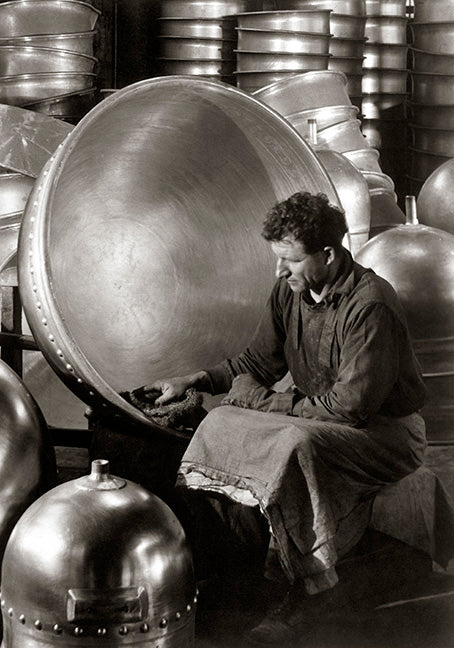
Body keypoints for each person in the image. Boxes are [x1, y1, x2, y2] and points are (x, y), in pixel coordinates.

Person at [144, 191, 427, 643]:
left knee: (293, 445)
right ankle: (236, 573)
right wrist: (194, 380)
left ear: (329, 254)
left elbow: (349, 409)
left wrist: (260, 402)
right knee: (218, 423)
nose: (280, 271)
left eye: (290, 261)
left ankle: (309, 589)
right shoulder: (288, 292)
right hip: (319, 416)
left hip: (384, 435)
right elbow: (255, 366)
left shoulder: (371, 304)